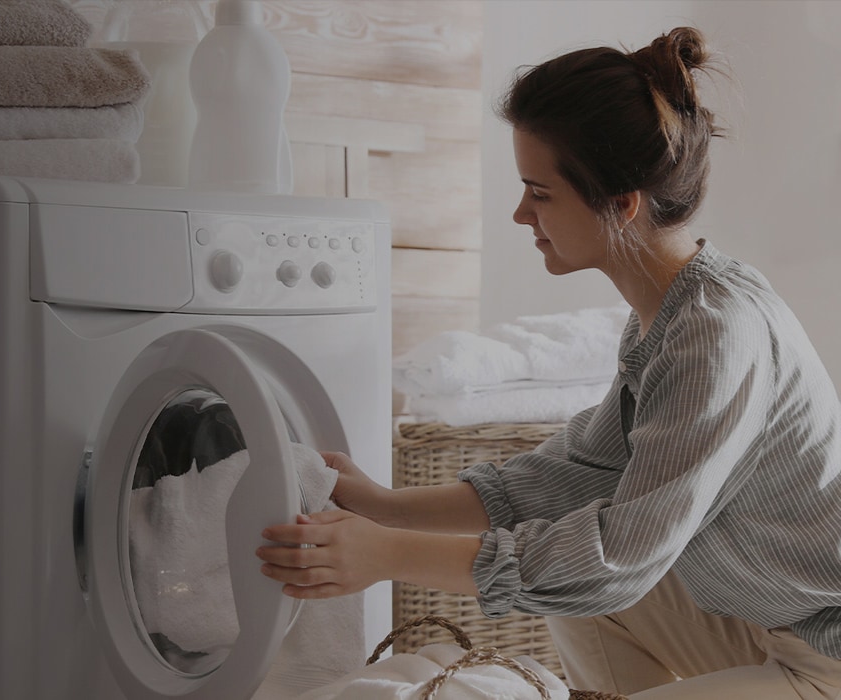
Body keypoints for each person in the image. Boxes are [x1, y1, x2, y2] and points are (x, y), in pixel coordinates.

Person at [254, 26, 841, 699]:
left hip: (828, 651)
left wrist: (384, 557)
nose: (519, 213)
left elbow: (620, 556)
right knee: (574, 584)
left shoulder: (715, 335)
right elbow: (569, 478)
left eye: (540, 192)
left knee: (592, 576)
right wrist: (385, 508)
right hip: (768, 620)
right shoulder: (670, 312)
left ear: (620, 206)